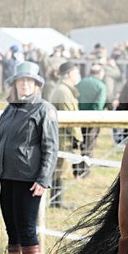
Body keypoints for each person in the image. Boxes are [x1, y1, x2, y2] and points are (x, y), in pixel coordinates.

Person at [0, 61, 59, 254]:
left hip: (29, 181)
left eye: (29, 81)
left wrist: (43, 178)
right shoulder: (9, 110)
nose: (25, 84)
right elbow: (1, 145)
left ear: (37, 84)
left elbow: (50, 147)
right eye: (21, 81)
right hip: (7, 179)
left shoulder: (44, 109)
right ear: (15, 84)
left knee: (27, 231)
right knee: (12, 231)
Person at [47, 61, 83, 208]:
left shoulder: (63, 89)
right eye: (75, 72)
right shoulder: (63, 91)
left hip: (62, 135)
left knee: (60, 169)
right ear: (69, 74)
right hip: (63, 136)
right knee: (60, 169)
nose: (78, 76)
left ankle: (56, 201)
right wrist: (78, 138)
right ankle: (56, 202)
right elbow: (71, 119)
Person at [75, 64, 107, 178]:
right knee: (89, 145)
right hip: (92, 120)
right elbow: (99, 105)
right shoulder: (101, 86)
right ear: (100, 73)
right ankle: (85, 171)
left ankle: (76, 169)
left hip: (77, 118)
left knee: (79, 143)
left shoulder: (80, 83)